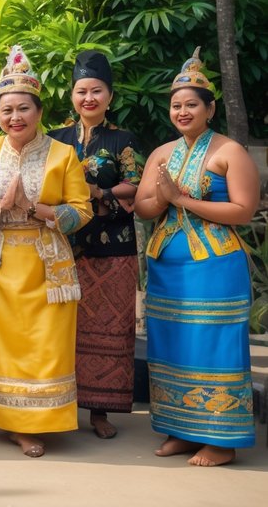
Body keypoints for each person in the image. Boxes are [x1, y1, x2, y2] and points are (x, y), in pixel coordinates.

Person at [0, 46, 92, 458]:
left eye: (23, 109)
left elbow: (82, 211)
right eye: (6, 110)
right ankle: (13, 423)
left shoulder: (63, 154)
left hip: (47, 265)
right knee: (5, 344)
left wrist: (36, 209)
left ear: (38, 110)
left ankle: (42, 419)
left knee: (45, 345)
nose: (14, 117)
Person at [134, 48, 257, 467]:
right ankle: (182, 429)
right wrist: (159, 198)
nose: (182, 111)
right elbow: (144, 207)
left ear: (210, 108)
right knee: (173, 346)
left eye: (191, 104)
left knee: (213, 346)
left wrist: (181, 200)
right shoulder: (162, 153)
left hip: (215, 266)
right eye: (176, 105)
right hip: (169, 264)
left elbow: (243, 211)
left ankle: (221, 440)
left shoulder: (230, 151)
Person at [47, 51, 144, 438]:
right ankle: (59, 403)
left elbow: (135, 184)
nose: (89, 98)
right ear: (72, 95)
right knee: (60, 327)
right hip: (62, 246)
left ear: (110, 96)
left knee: (109, 328)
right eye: (81, 91)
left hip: (112, 249)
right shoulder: (56, 138)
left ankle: (100, 411)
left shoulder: (123, 138)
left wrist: (95, 191)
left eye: (96, 91)